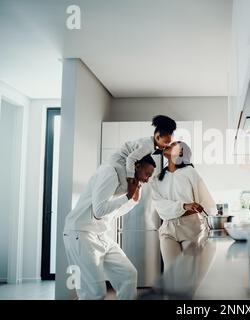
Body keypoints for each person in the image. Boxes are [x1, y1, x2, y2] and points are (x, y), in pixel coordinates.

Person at [63, 154, 157, 300]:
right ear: (136, 166)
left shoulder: (124, 183)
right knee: (95, 293)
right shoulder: (110, 172)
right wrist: (128, 196)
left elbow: (113, 212)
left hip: (101, 235)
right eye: (147, 174)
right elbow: (98, 211)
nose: (147, 179)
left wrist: (133, 200)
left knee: (128, 274)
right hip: (81, 234)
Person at [151, 141, 216, 271]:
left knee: (187, 273)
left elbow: (207, 203)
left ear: (181, 152)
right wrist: (184, 206)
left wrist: (210, 224)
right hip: (168, 229)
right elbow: (159, 205)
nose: (168, 145)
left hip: (191, 229)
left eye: (173, 144)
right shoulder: (158, 179)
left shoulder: (190, 172)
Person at [109, 115, 176, 183]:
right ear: (158, 137)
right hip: (120, 159)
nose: (167, 145)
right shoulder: (148, 146)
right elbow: (131, 158)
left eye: (169, 143)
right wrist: (130, 177)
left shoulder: (150, 143)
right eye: (166, 142)